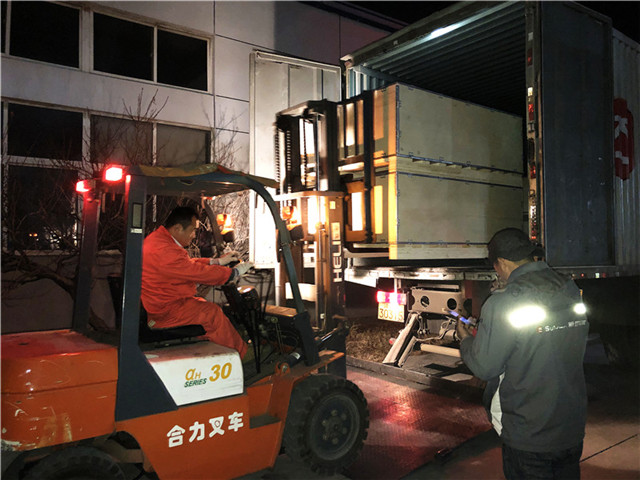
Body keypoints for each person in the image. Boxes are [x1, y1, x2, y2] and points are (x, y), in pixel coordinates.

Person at [457, 228, 589, 480]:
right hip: (570, 428)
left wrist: (466, 341)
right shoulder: (569, 288)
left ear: (502, 262)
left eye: (496, 266)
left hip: (529, 436)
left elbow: (485, 367)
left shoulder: (503, 302)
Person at [141, 206, 252, 358]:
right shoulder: (164, 250)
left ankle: (215, 352)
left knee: (203, 305)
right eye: (192, 230)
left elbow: (186, 264)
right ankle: (241, 355)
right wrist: (233, 273)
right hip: (166, 311)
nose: (194, 235)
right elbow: (195, 272)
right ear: (178, 228)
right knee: (212, 313)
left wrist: (216, 262)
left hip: (165, 303)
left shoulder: (159, 241)